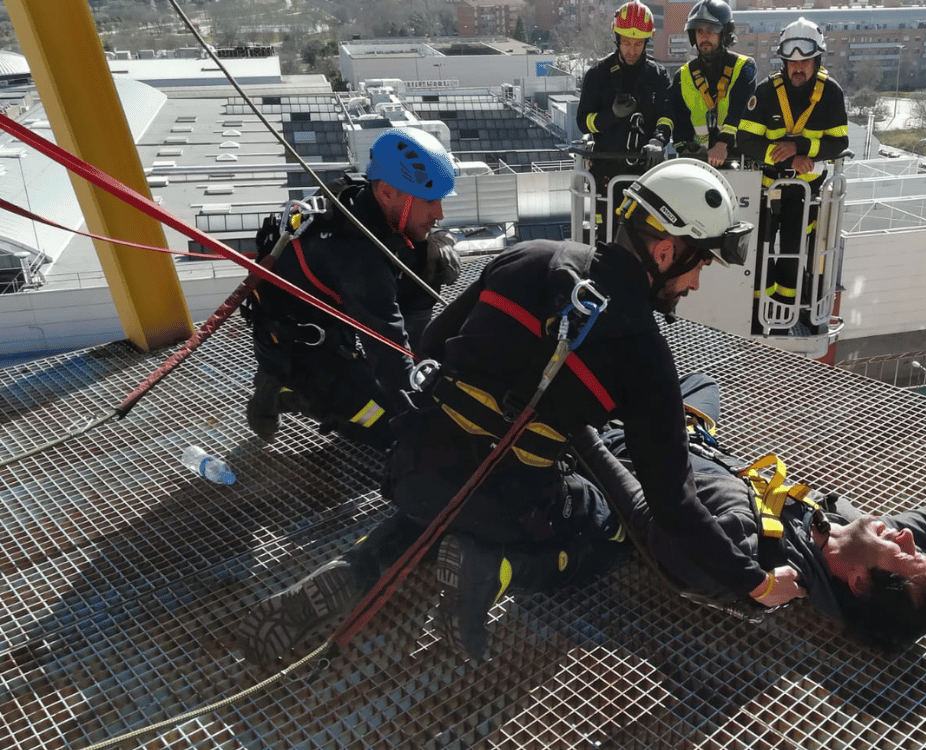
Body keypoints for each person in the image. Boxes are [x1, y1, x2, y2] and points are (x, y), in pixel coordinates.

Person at [237, 159, 763, 667]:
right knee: (608, 524)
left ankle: (356, 566)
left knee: (444, 497)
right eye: (699, 266)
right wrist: (751, 580)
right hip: (513, 500)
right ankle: (494, 569)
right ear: (667, 251)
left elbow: (434, 344)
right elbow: (673, 504)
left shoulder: (531, 255)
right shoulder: (646, 355)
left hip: (416, 467)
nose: (695, 284)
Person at [573, 372, 926, 650]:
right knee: (701, 383)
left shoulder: (757, 563)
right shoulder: (855, 533)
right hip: (692, 439)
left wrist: (581, 431)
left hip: (626, 447)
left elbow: (643, 514)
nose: (908, 538)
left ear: (859, 583)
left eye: (903, 554)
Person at [243, 127, 460, 449]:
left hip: (334, 320)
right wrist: (423, 421)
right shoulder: (356, 255)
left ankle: (289, 383)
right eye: (429, 201)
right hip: (301, 350)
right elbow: (388, 352)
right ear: (387, 192)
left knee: (430, 257)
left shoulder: (362, 200)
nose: (439, 214)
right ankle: (285, 392)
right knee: (391, 428)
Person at [738, 18, 848, 335]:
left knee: (792, 252)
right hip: (765, 187)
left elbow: (839, 142)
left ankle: (785, 317)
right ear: (784, 62)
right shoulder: (766, 92)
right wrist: (777, 152)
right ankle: (758, 318)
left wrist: (801, 150)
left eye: (805, 61)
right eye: (793, 62)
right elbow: (745, 140)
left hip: (805, 189)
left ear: (817, 60)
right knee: (759, 252)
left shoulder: (831, 95)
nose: (798, 68)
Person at [576, 2, 673, 233]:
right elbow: (583, 121)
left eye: (638, 43)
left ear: (646, 42)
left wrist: (658, 141)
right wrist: (611, 116)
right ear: (617, 39)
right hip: (607, 174)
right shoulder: (598, 75)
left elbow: (666, 117)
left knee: (644, 237)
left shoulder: (658, 77)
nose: (631, 50)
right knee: (607, 236)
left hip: (645, 174)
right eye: (627, 43)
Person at [669, 0, 757, 167]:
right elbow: (679, 122)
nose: (704, 36)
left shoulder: (746, 67)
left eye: (711, 30)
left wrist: (722, 144)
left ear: (724, 33)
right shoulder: (683, 75)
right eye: (699, 30)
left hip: (736, 160)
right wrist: (685, 148)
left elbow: (739, 107)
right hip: (697, 162)